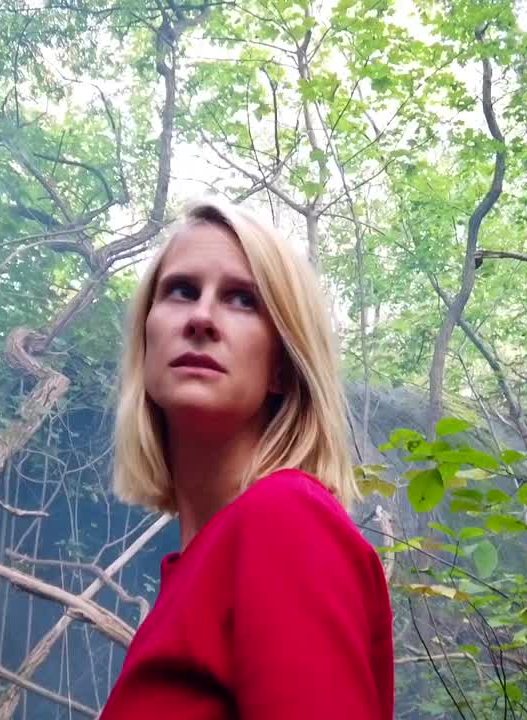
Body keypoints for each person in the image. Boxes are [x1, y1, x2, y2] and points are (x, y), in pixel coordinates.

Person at [100, 197, 394, 719]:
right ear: (147, 337)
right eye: (182, 290)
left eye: (242, 300)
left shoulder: (285, 518)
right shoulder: (195, 572)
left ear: (284, 365)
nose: (202, 317)